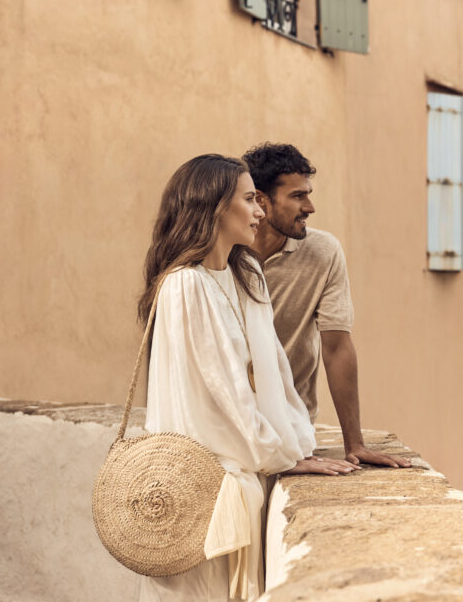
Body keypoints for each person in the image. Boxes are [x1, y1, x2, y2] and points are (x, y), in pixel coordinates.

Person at [136, 154, 360, 602]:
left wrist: (294, 445)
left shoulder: (245, 274)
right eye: (248, 200)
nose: (259, 211)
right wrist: (278, 455)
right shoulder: (185, 286)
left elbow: (275, 375)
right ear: (215, 207)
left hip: (248, 478)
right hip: (203, 492)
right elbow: (223, 396)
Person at [242, 143, 411, 469]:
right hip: (232, 425)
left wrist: (355, 443)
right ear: (261, 200)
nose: (310, 207)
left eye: (308, 194)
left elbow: (337, 347)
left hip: (292, 427)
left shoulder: (324, 252)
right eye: (297, 196)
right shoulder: (224, 254)